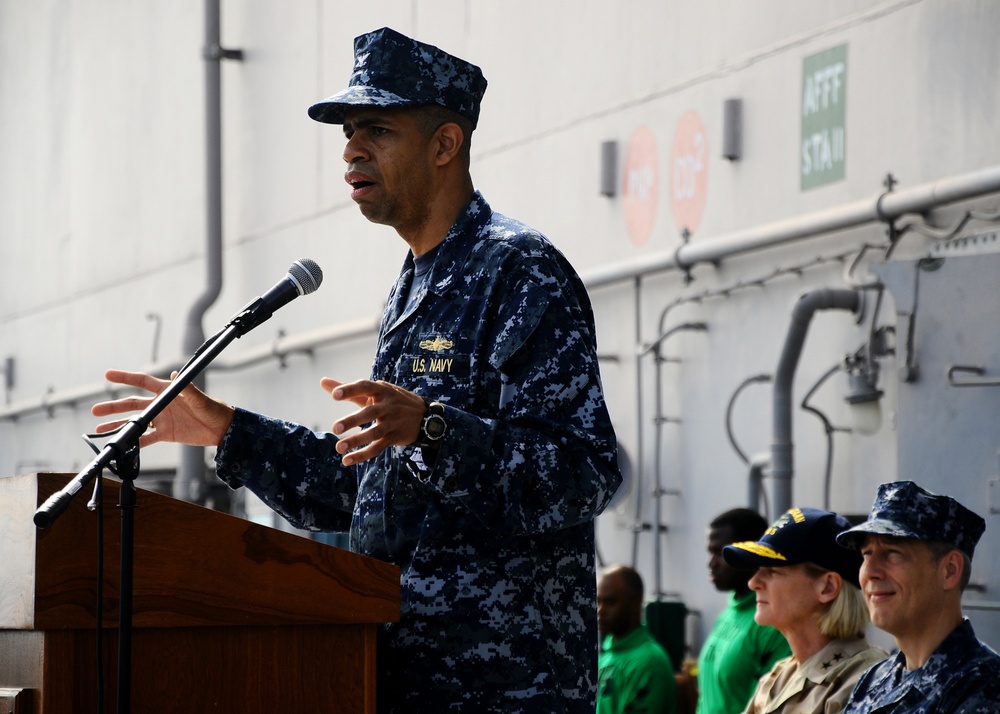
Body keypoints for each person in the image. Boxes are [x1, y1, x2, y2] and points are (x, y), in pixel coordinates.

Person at [91, 27, 622, 714]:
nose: (350, 149)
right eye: (347, 131)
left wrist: (432, 429)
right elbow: (371, 490)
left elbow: (583, 473)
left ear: (444, 144)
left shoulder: (518, 272)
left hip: (505, 691)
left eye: (376, 127)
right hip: (399, 677)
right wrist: (230, 432)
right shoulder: (412, 287)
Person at [836, 481, 1000, 713]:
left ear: (950, 570)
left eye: (892, 553)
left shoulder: (984, 687)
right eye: (866, 554)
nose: (870, 572)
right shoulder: (874, 679)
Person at [722, 507, 886, 713]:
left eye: (772, 571)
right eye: (757, 571)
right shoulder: (778, 677)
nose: (753, 583)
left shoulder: (866, 680)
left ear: (827, 587)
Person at [688, 508, 791, 714]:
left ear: (750, 551)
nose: (711, 563)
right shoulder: (729, 612)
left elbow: (770, 705)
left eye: (721, 553)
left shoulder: (771, 622)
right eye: (710, 552)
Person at [597, 565, 678, 714]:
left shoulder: (649, 662)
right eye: (598, 601)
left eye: (609, 602)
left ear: (635, 603)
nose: (600, 610)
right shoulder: (606, 658)